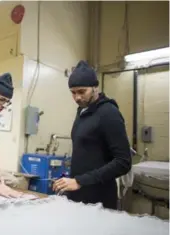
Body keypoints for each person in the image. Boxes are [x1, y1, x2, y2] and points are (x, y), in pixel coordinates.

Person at [52, 60, 132, 210]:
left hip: (99, 200)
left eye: (82, 91)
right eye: (73, 93)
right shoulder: (82, 111)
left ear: (95, 88)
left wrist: (80, 181)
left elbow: (123, 162)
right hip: (78, 195)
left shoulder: (109, 113)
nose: (77, 98)